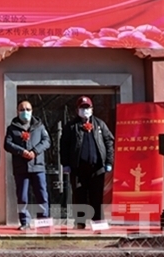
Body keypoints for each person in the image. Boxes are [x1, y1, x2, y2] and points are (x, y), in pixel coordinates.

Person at [60, 96, 114, 229]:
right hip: (78, 168)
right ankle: (80, 223)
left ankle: (98, 222)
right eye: (82, 108)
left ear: (92, 109)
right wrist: (65, 164)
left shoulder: (100, 124)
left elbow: (109, 142)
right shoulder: (71, 126)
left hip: (97, 168)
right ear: (77, 110)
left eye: (87, 107)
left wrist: (109, 161)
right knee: (79, 196)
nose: (85, 110)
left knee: (97, 196)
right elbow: (64, 146)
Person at [4, 100, 51, 230]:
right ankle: (24, 221)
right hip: (21, 167)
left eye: (28, 109)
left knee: (42, 194)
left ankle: (43, 220)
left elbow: (46, 141)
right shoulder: (12, 128)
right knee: (22, 196)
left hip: (38, 166)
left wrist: (35, 151)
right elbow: (7, 144)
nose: (25, 112)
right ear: (17, 111)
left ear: (32, 111)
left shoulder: (39, 126)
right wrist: (21, 151)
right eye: (22, 109)